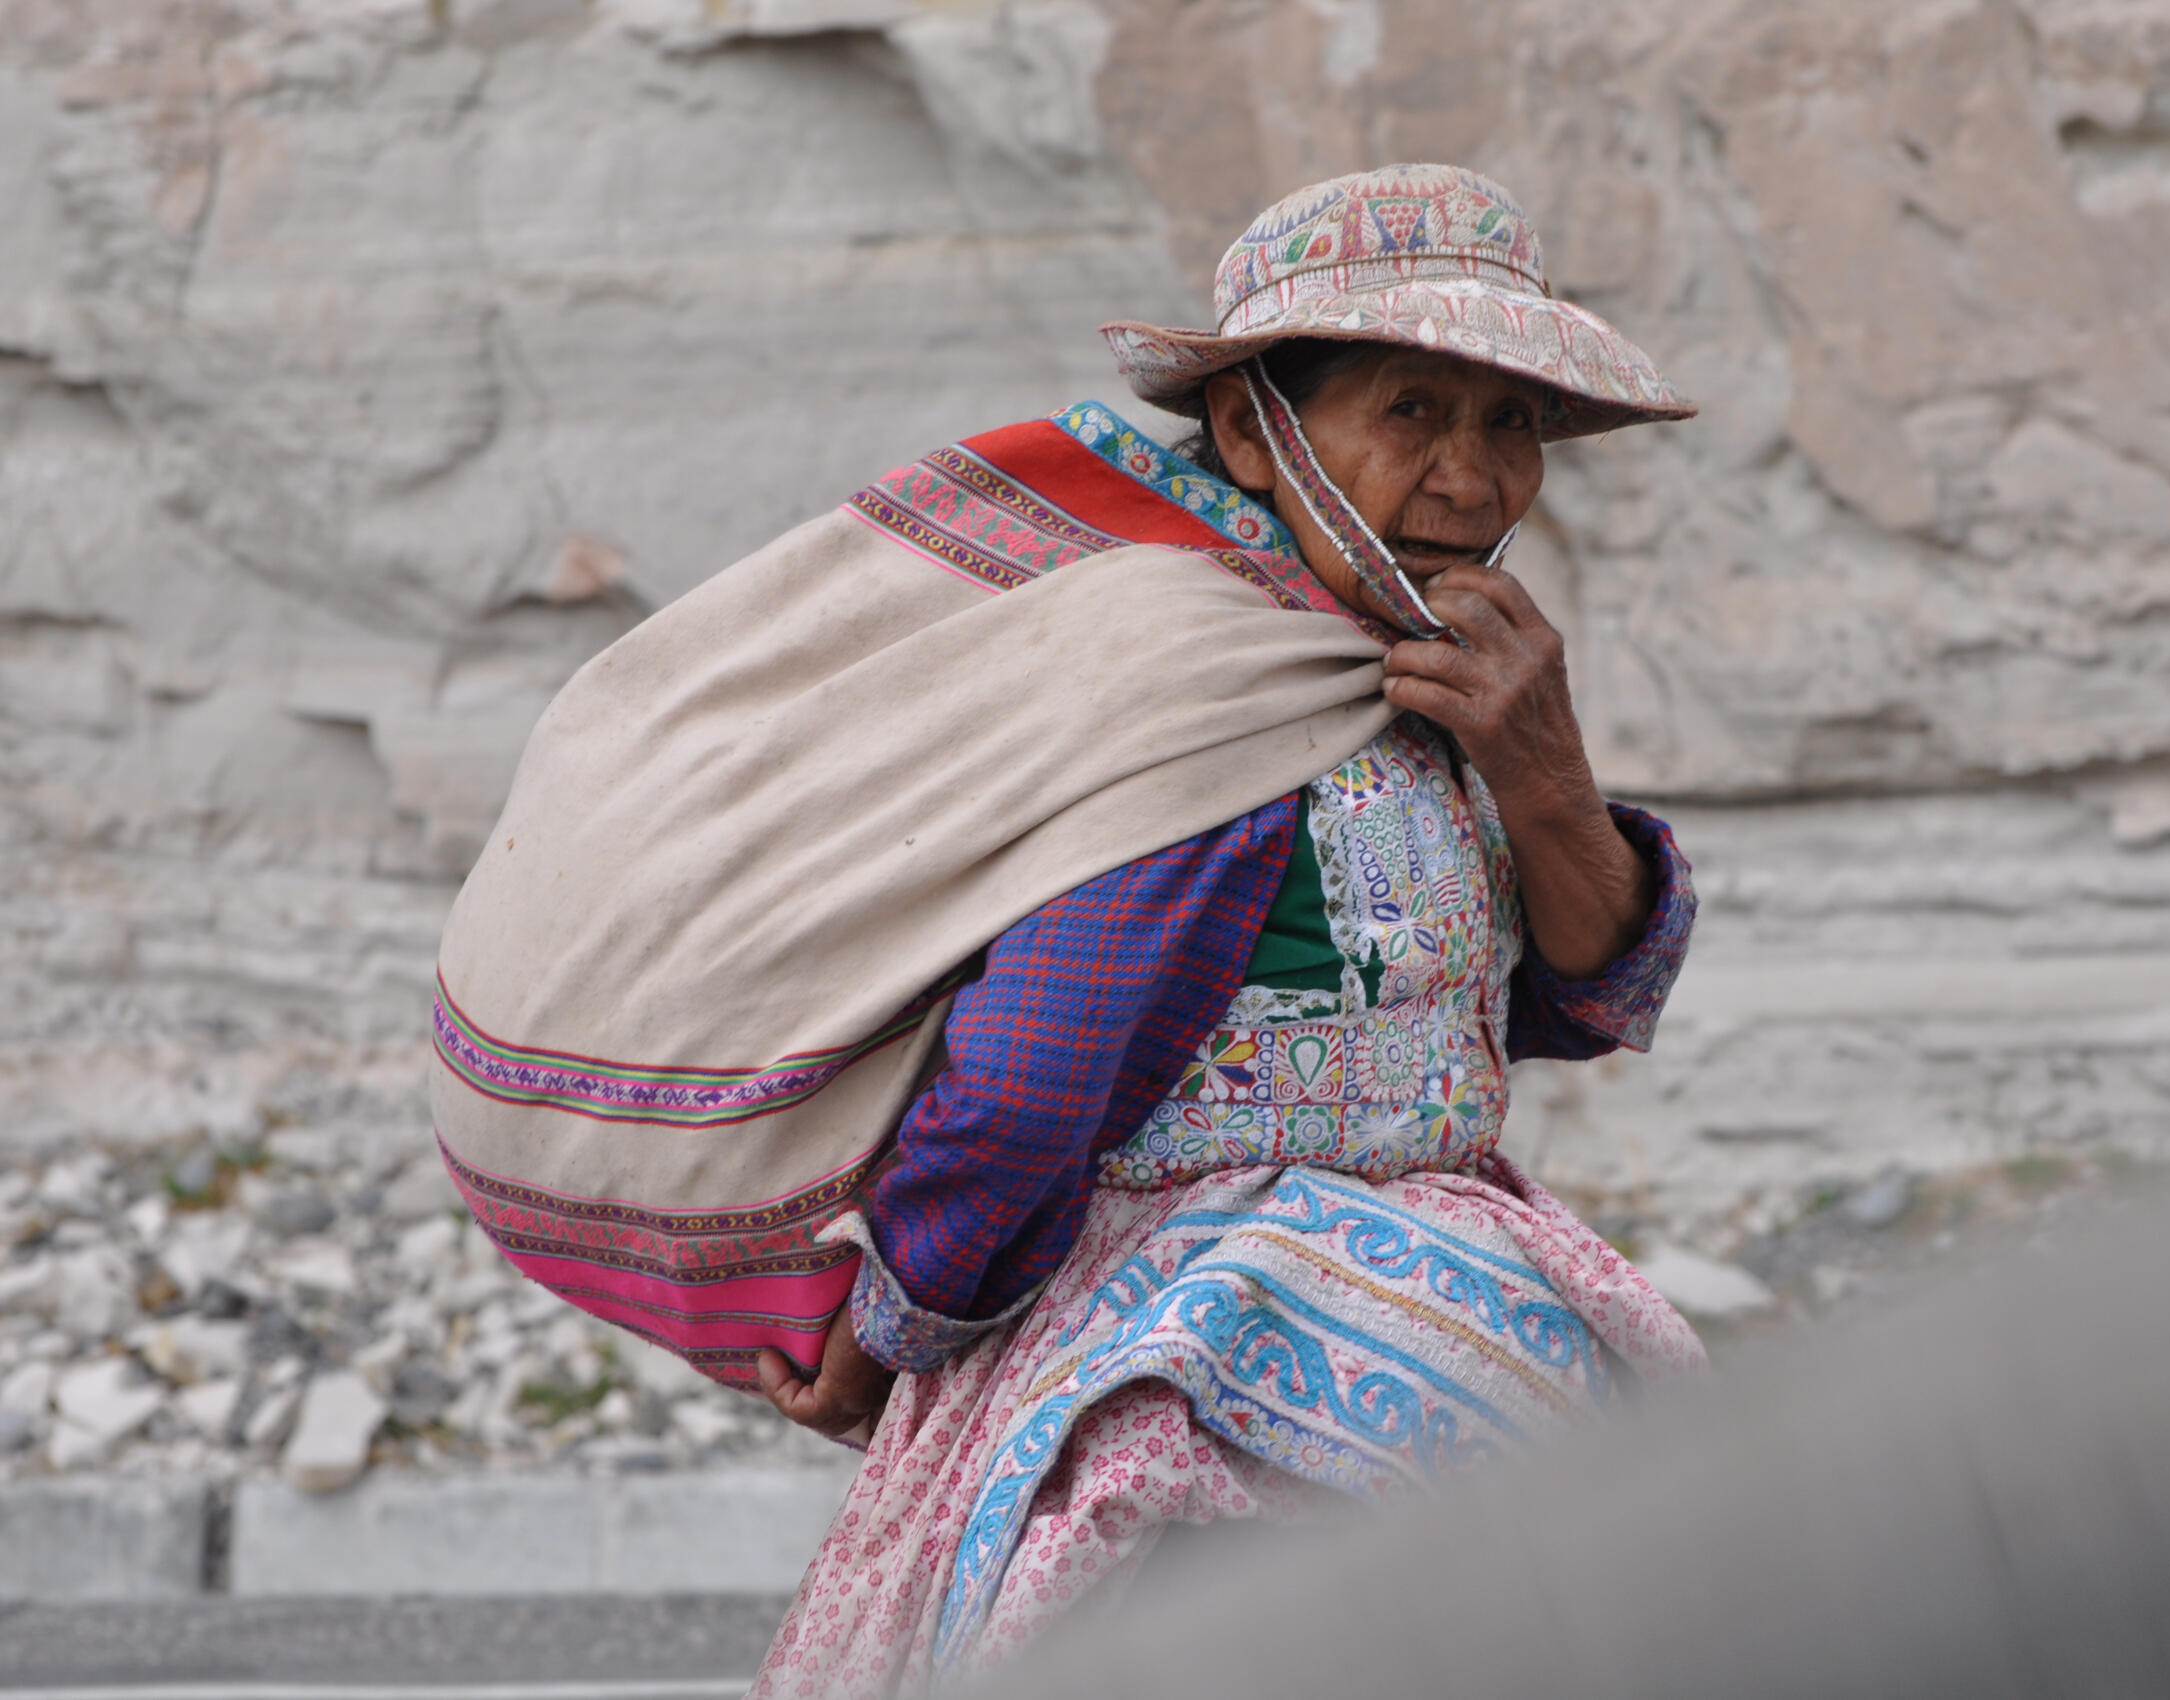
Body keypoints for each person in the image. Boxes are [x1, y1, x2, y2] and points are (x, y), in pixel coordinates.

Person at [426, 165, 1702, 1696]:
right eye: (1412, 411)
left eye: (1510, 423)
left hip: (1429, 1286)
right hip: (1208, 1346)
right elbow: (1039, 1069)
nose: (1473, 479)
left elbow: (1582, 996)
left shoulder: (1431, 671)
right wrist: (894, 1317)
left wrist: (1544, 776)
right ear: (1253, 431)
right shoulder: (1195, 689)